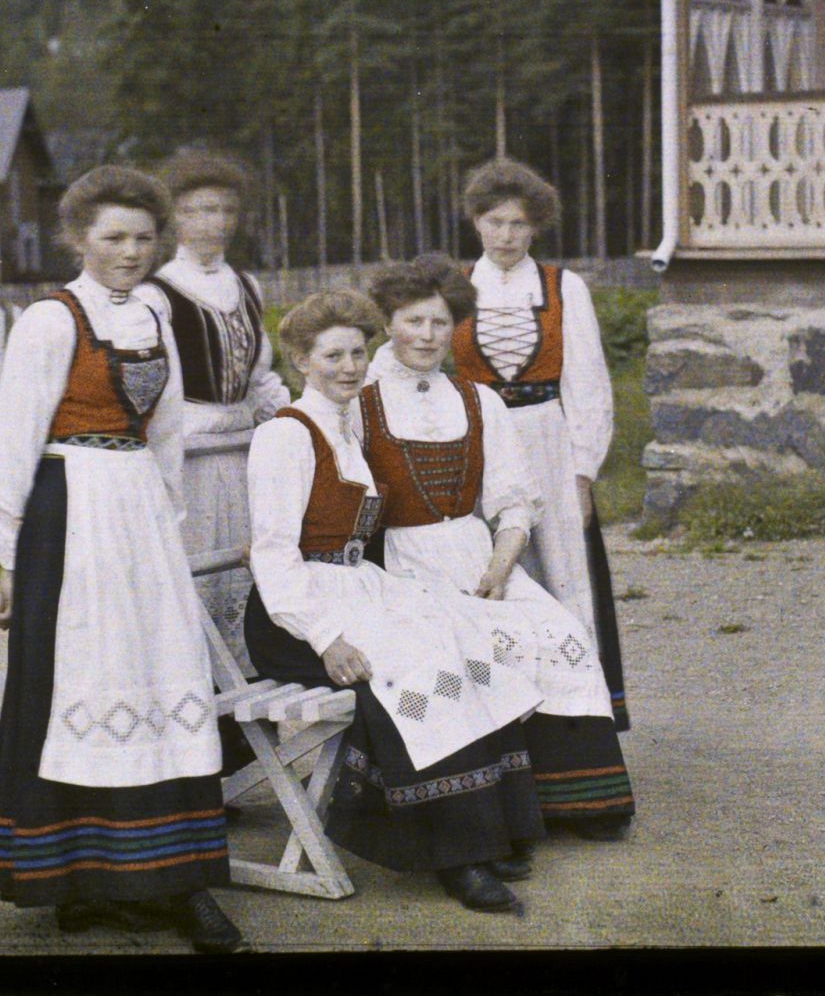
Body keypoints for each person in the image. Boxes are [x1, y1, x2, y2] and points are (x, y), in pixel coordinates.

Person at [0, 165, 243, 954]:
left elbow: (168, 430)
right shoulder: (50, 320)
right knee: (79, 679)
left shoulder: (156, 310)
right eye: (113, 236)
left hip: (139, 512)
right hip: (70, 510)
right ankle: (77, 879)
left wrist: (165, 524)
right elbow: (12, 444)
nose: (130, 251)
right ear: (79, 238)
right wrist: (10, 556)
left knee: (160, 671)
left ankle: (174, 876)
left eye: (143, 237)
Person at [244, 289, 549, 913]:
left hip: (352, 588)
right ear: (301, 361)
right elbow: (272, 555)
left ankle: (491, 831)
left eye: (358, 353)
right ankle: (457, 857)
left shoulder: (345, 428)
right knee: (419, 667)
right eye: (332, 356)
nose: (349, 367)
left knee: (463, 638)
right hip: (296, 619)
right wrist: (326, 638)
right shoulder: (285, 435)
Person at [359, 253, 635, 843]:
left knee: (557, 631)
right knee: (465, 649)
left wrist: (501, 566)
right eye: (413, 321)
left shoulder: (479, 401)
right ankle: (489, 815)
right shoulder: (361, 401)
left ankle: (576, 801)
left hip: (478, 555)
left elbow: (514, 502)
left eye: (440, 323)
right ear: (387, 324)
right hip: (403, 564)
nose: (427, 336)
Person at [452, 158, 630, 730]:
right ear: (476, 222)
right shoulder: (455, 288)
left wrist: (582, 474)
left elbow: (589, 385)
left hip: (546, 439)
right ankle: (503, 718)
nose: (506, 235)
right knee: (489, 571)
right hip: (480, 443)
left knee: (561, 570)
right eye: (495, 222)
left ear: (536, 227)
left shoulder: (563, 287)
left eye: (519, 224)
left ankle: (576, 720)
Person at [148, 148, 290, 669]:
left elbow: (260, 377)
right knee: (193, 574)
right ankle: (190, 683)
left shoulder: (246, 286)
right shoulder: (157, 293)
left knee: (245, 570)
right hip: (188, 458)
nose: (217, 222)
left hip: (242, 455)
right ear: (175, 218)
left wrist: (290, 418)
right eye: (201, 210)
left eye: (226, 210)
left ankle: (245, 686)